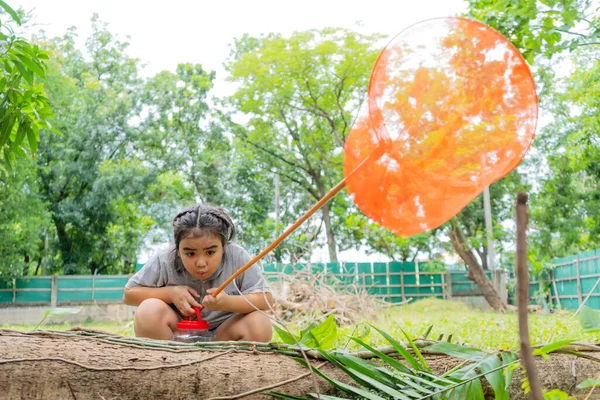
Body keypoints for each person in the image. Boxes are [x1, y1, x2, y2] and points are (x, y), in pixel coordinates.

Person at [124, 203, 273, 342]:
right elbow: (129, 294)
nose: (201, 263)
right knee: (148, 311)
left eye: (210, 252)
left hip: (223, 336)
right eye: (190, 254)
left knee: (259, 323)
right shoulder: (164, 260)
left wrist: (227, 302)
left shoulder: (237, 256)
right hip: (178, 336)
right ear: (177, 250)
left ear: (224, 247)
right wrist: (170, 293)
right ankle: (170, 364)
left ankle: (224, 366)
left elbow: (266, 299)